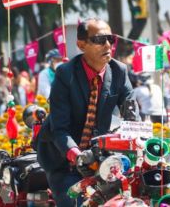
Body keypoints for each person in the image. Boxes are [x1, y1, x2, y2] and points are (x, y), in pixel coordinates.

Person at [36, 18, 137, 206]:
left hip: (101, 161)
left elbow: (132, 115)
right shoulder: (65, 74)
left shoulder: (120, 71)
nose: (107, 45)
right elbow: (60, 129)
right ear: (81, 45)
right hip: (63, 161)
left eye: (110, 39)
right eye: (99, 39)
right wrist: (78, 156)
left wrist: (140, 139)